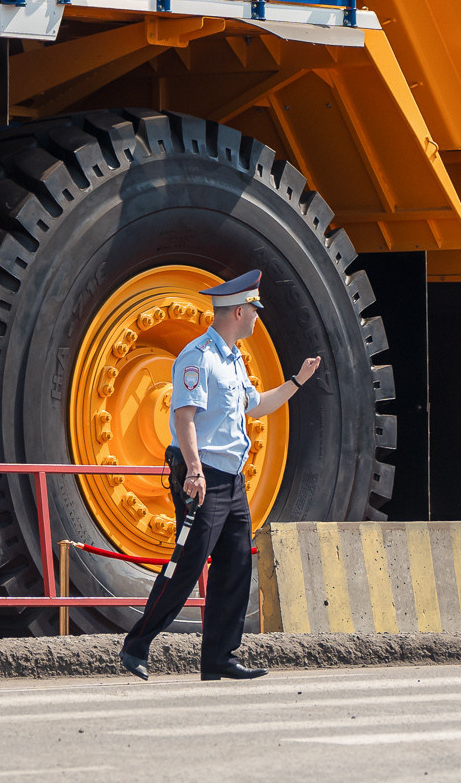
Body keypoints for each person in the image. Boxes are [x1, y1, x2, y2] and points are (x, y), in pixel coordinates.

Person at [118, 271, 318, 683]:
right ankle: (136, 646)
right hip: (203, 473)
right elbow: (184, 417)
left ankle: (220, 658)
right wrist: (193, 471)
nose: (258, 319)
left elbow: (256, 406)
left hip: (231, 477)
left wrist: (297, 381)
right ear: (239, 312)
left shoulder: (232, 358)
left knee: (235, 565)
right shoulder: (198, 357)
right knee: (188, 564)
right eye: (254, 312)